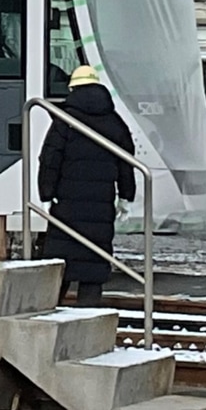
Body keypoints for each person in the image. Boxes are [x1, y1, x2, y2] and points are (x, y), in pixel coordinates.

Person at [38, 64, 136, 306]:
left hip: (67, 201)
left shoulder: (65, 120)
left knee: (61, 258)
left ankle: (52, 310)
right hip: (101, 203)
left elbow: (50, 158)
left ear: (72, 88)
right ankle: (88, 312)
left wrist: (46, 193)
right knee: (94, 258)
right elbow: (127, 163)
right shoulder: (115, 121)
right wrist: (126, 196)